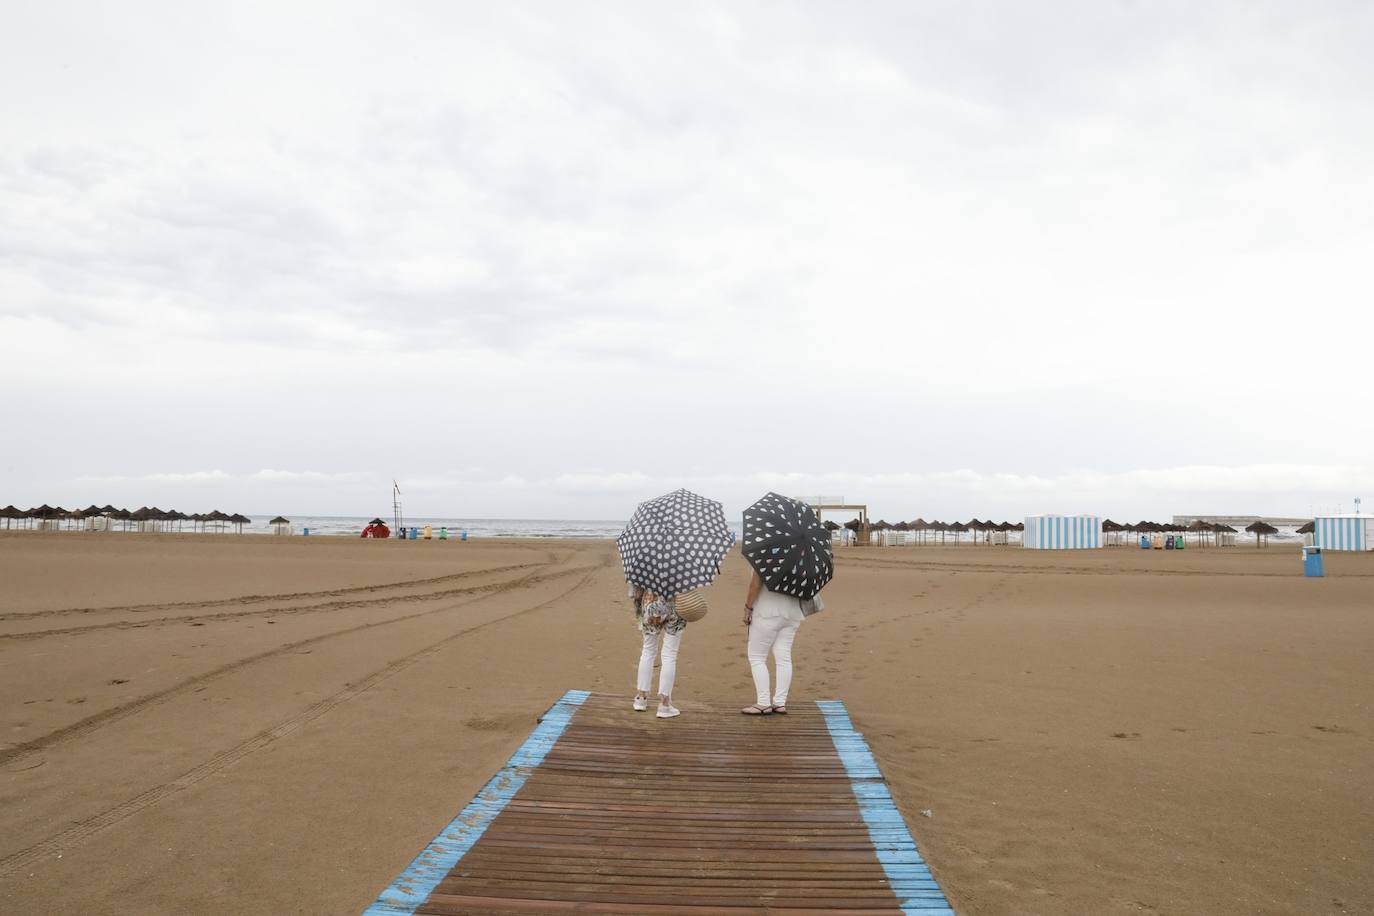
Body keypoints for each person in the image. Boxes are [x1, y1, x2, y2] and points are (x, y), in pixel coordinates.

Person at [741, 570, 806, 715]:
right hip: (792, 612)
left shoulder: (764, 553)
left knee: (757, 657)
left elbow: (755, 585)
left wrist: (748, 608)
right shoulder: (799, 556)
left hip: (767, 611)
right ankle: (780, 702)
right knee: (784, 656)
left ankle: (763, 702)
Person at [630, 585, 685, 719]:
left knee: (648, 650)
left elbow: (635, 589)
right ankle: (664, 704)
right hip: (675, 603)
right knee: (669, 655)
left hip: (651, 600)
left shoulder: (647, 563)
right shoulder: (684, 564)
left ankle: (641, 698)